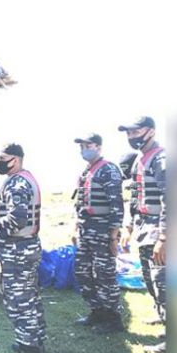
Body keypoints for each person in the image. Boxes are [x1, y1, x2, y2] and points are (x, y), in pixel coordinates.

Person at [0, 143, 46, 353]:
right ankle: (36, 341)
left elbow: (17, 219)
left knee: (19, 300)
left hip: (18, 249)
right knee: (30, 296)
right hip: (24, 247)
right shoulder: (22, 178)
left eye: (4, 158)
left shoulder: (18, 183)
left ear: (17, 159)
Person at [118, 116, 167, 353]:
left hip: (159, 230)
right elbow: (135, 197)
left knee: (164, 282)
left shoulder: (162, 159)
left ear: (151, 131)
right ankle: (164, 319)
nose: (131, 136)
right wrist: (128, 227)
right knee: (151, 281)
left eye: (136, 131)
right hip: (144, 229)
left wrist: (164, 238)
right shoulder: (140, 159)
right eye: (128, 132)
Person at [72, 134, 125, 334]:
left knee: (105, 275)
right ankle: (97, 311)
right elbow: (81, 203)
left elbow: (116, 205)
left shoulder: (108, 170)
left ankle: (113, 319)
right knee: (83, 272)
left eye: (88, 145)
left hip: (103, 231)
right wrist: (76, 227)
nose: (84, 149)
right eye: (82, 146)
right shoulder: (87, 171)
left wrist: (114, 235)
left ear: (99, 147)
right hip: (86, 230)